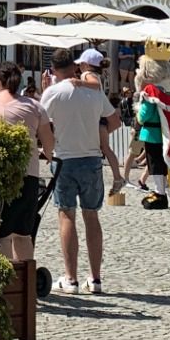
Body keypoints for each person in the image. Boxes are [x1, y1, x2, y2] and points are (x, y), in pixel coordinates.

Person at [40, 48, 118, 294]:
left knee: (66, 215)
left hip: (64, 158)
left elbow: (39, 122)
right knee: (91, 216)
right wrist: (96, 137)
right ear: (75, 67)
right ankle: (95, 278)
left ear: (53, 70)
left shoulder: (53, 92)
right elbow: (114, 120)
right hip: (91, 157)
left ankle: (71, 278)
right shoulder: (94, 93)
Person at [0, 61, 53, 264]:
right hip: (26, 176)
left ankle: (5, 283)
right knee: (22, 233)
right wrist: (45, 154)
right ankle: (26, 286)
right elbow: (49, 145)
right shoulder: (34, 107)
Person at [133, 51, 170, 209]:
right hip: (164, 133)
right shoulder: (166, 91)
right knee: (160, 163)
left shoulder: (151, 91)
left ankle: (160, 193)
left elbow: (144, 115)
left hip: (152, 134)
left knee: (155, 165)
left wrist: (138, 116)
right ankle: (160, 191)